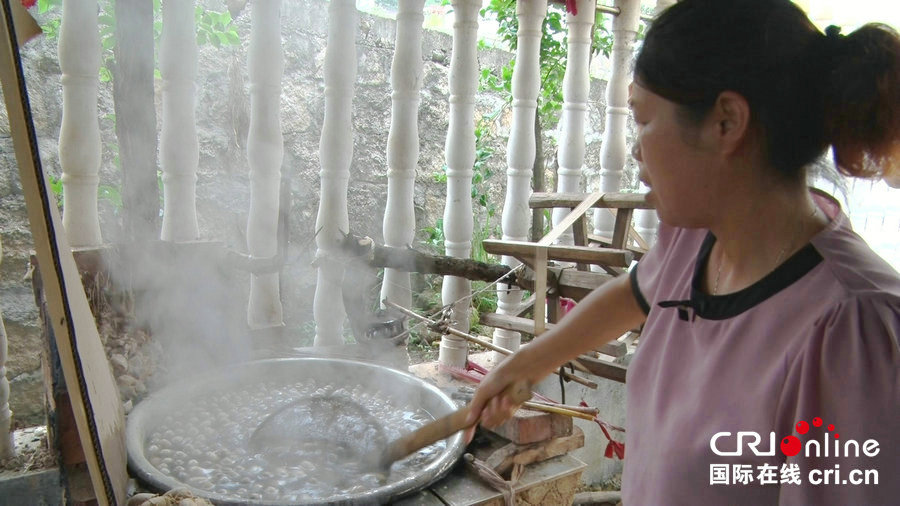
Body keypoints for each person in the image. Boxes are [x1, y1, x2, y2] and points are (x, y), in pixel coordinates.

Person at [465, 0, 900, 504]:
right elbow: (630, 296)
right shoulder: (697, 238)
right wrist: (526, 364)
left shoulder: (852, 330)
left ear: (726, 122)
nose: (634, 150)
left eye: (644, 119)